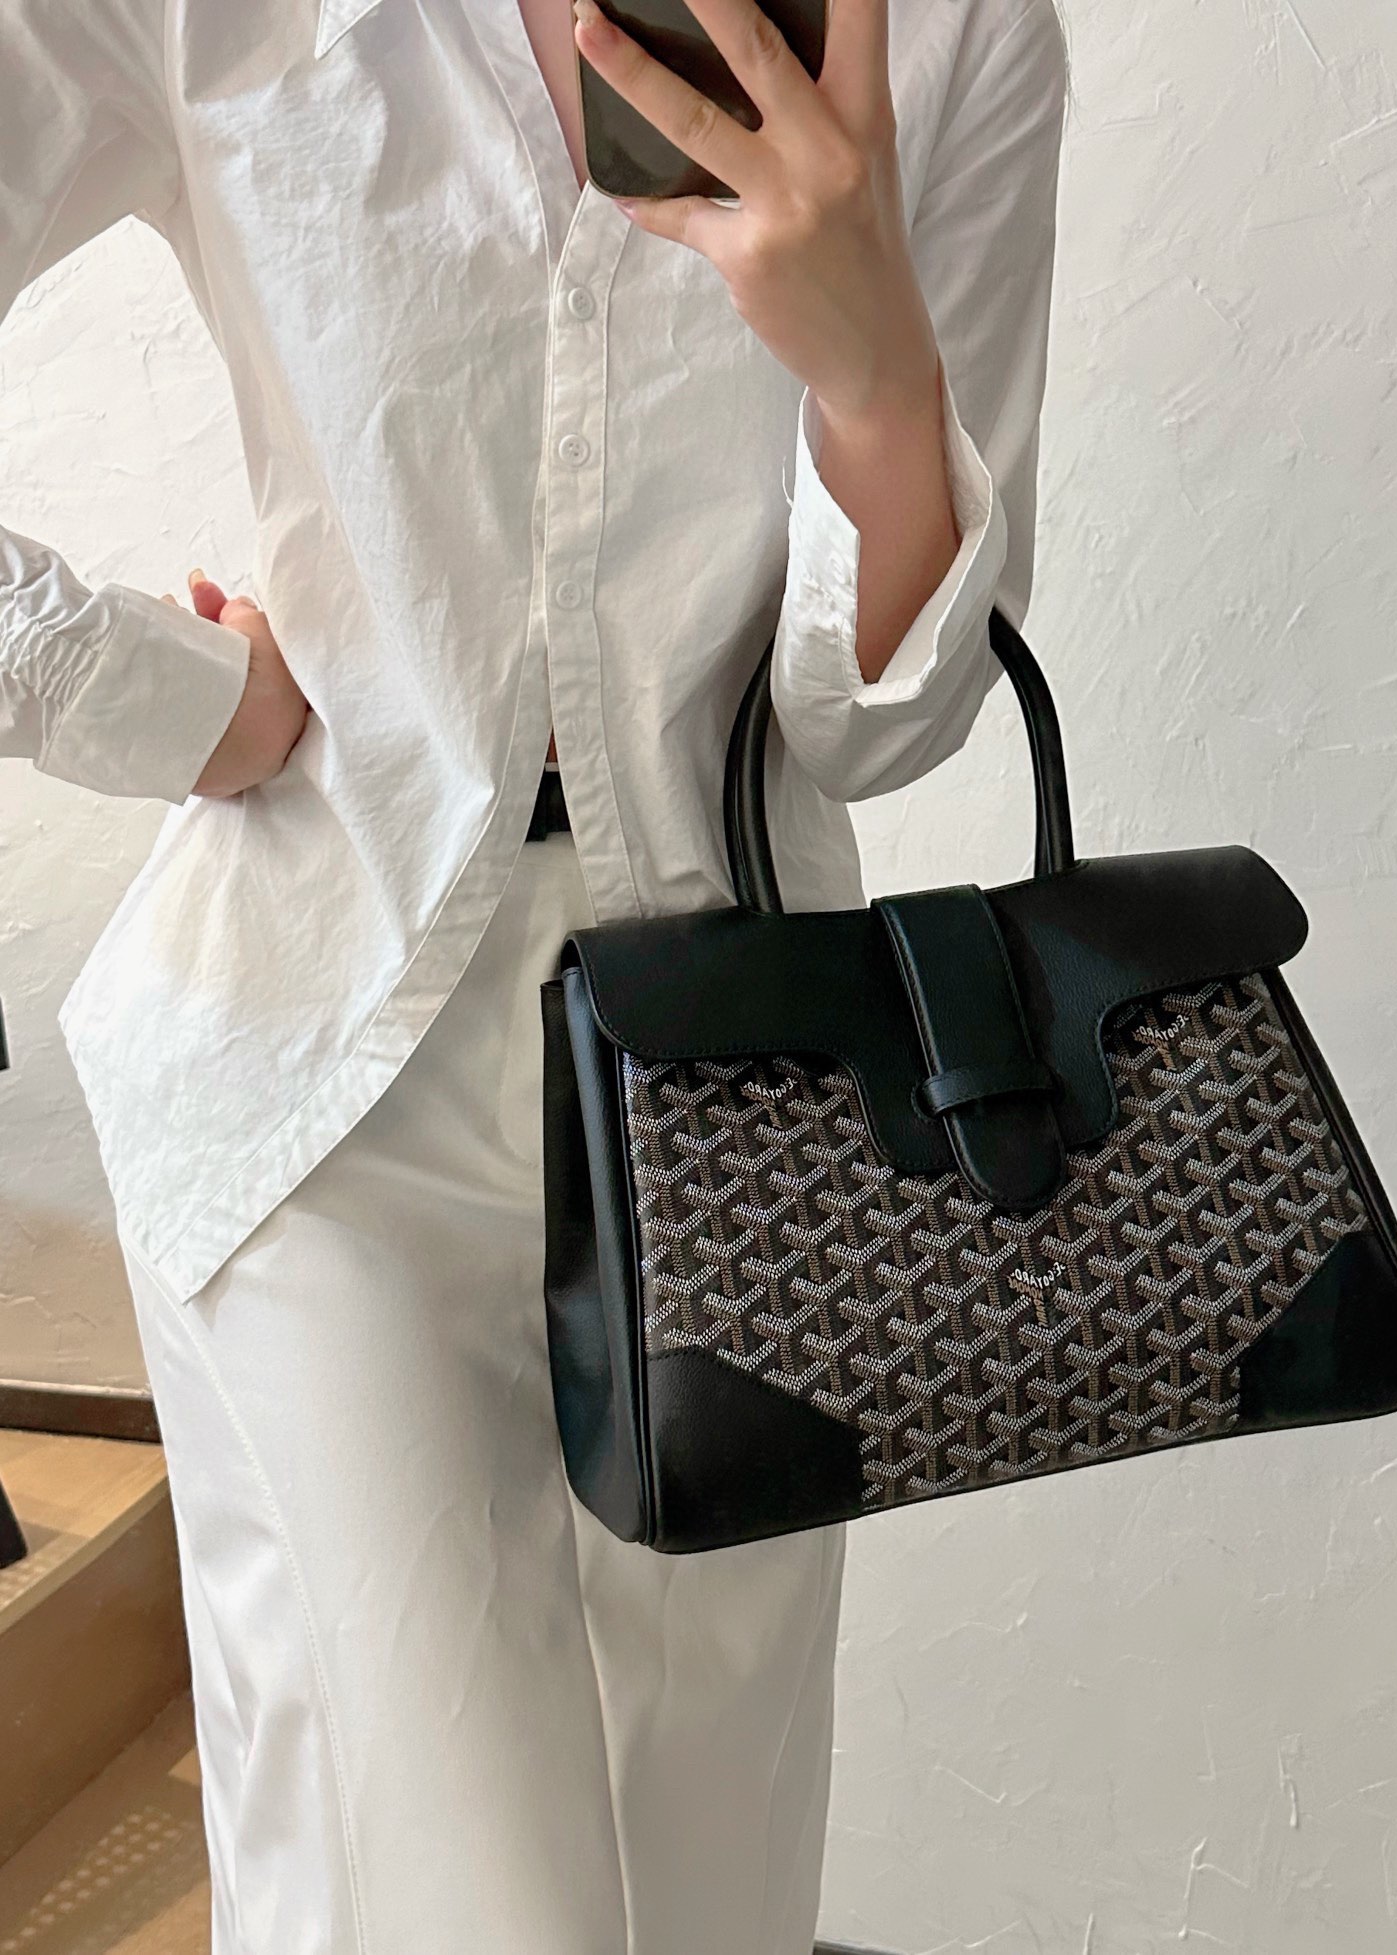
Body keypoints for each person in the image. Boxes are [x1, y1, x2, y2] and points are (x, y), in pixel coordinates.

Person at [0, 0, 1067, 1946]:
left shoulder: (957, 29)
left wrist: (870, 377)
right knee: (438, 1887)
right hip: (320, 1061)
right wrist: (147, 693)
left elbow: (870, 729)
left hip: (756, 1093)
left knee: (714, 1851)